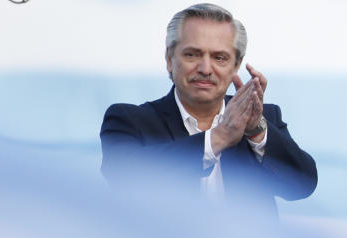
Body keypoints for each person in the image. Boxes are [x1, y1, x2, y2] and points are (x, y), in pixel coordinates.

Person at [99, 3, 316, 205]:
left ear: (236, 65)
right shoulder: (129, 119)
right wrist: (218, 138)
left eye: (219, 58)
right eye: (192, 54)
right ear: (169, 59)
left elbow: (302, 186)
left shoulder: (263, 119)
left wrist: (256, 130)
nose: (205, 68)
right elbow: (124, 178)